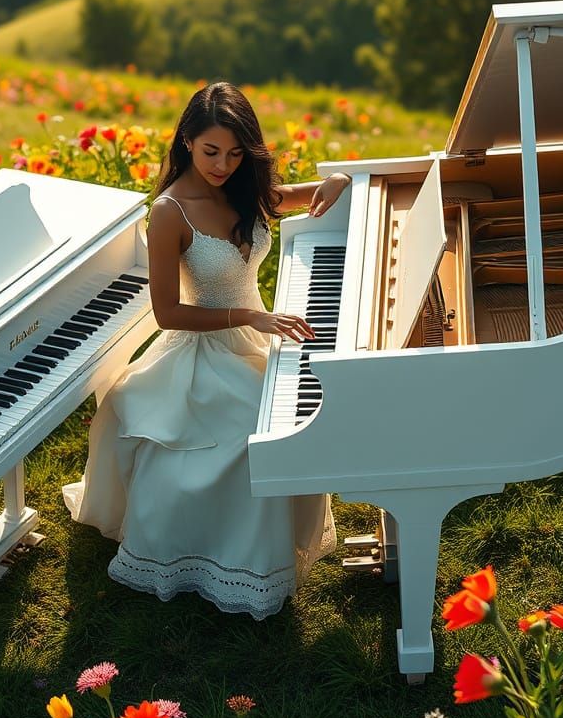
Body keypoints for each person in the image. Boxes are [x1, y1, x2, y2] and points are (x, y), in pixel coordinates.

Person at [63, 82, 351, 619]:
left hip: (257, 335)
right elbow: (168, 312)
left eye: (236, 153)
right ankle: (218, 559)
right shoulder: (171, 211)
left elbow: (294, 197)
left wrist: (337, 180)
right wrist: (249, 315)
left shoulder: (244, 188)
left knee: (297, 413)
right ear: (187, 142)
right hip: (204, 345)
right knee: (250, 434)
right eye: (211, 151)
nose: (222, 164)